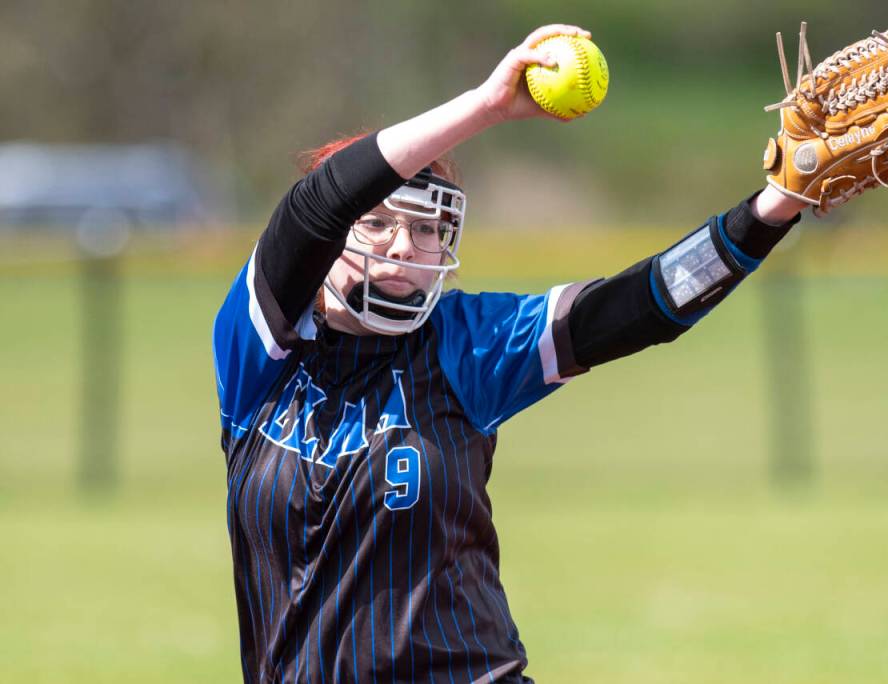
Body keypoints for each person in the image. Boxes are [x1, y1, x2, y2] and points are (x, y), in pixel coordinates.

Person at [213, 23, 811, 683]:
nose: (404, 246)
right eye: (377, 223)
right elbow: (316, 204)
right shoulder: (261, 348)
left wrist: (771, 210)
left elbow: (639, 305)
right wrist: (486, 107)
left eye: (426, 228)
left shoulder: (462, 344)